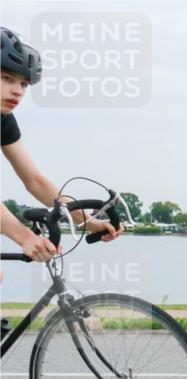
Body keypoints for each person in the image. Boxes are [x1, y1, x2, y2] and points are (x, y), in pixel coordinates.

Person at [1, 26, 121, 266]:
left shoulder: (3, 121)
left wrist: (88, 222)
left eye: (24, 84)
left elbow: (35, 181)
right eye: (7, 78)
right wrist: (24, 236)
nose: (18, 91)